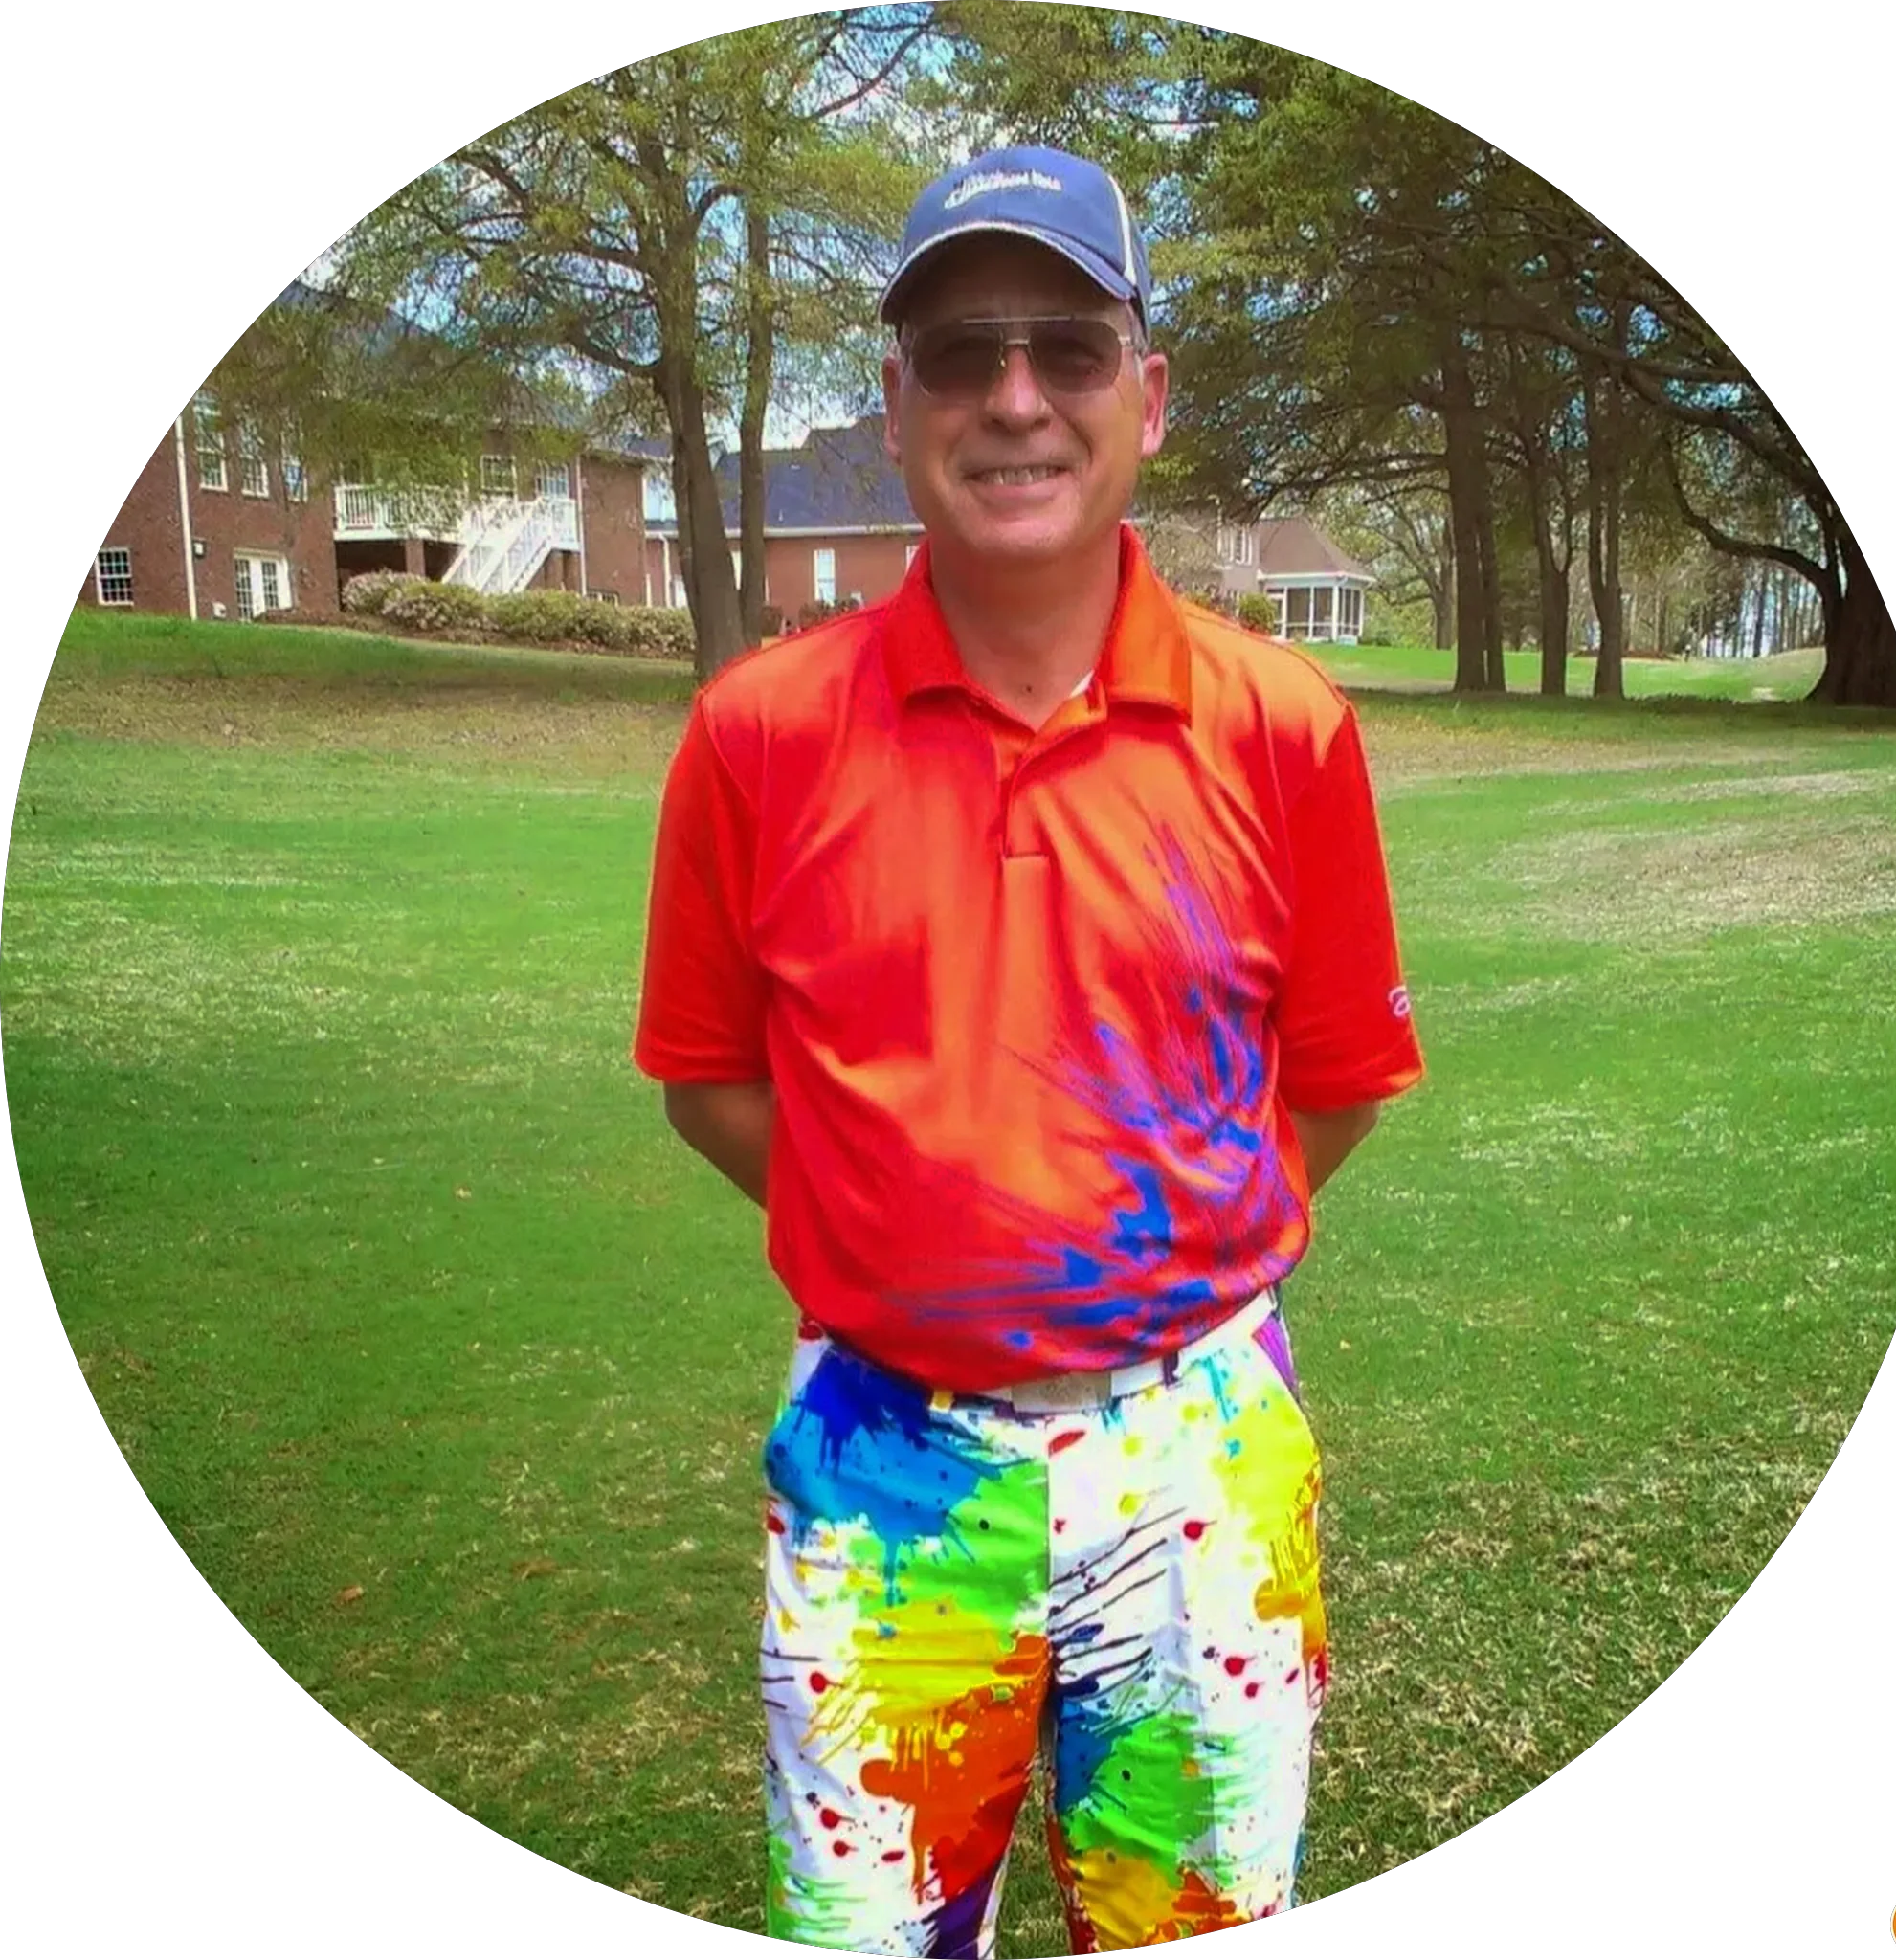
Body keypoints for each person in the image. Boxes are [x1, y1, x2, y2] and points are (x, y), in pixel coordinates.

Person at [635, 145, 1424, 1956]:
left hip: (1201, 1453)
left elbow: (1333, 1083)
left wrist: (1156, 1247)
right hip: (884, 1461)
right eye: (960, 352)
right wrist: (911, 1231)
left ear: (1148, 394)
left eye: (1067, 349)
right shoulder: (759, 734)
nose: (1014, 401)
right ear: (895, 402)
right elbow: (709, 1080)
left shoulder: (1281, 724)